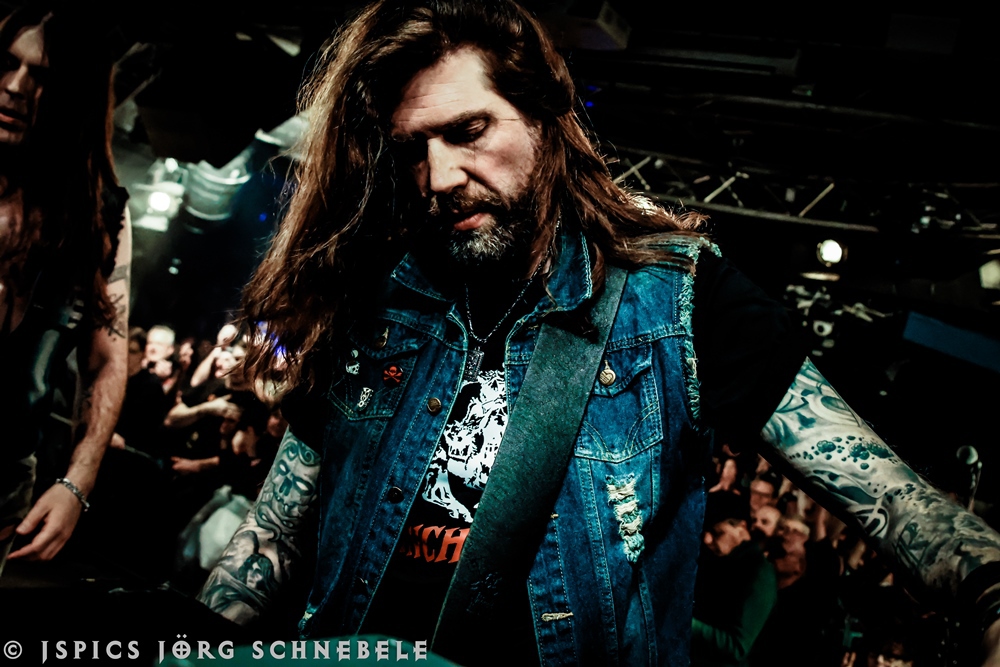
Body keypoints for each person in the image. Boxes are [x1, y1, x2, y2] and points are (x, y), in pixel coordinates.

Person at [198, 2, 1000, 665]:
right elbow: (274, 531)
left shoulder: (680, 300)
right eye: (413, 149)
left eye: (468, 131)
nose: (438, 178)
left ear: (544, 117)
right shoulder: (381, 294)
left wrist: (993, 591)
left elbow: (893, 499)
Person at [0, 5, 130, 571]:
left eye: (42, 76)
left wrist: (78, 482)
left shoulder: (99, 215)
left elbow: (107, 360)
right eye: (6, 65)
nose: (14, 87)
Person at [692, 492, 777, 666]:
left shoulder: (759, 572)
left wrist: (686, 621)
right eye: (705, 531)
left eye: (717, 532)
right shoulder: (717, 560)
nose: (707, 539)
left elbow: (738, 646)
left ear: (742, 527)